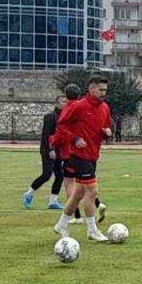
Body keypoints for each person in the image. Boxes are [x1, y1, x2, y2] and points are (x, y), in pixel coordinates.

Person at [51, 75, 112, 242]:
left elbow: (104, 127)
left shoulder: (105, 108)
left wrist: (107, 133)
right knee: (92, 191)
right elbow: (61, 125)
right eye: (100, 90)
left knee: (77, 193)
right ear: (91, 89)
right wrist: (75, 139)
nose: (103, 93)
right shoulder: (78, 106)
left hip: (93, 154)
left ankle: (61, 225)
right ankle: (92, 230)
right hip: (78, 155)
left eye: (105, 90)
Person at [24, 85, 75, 210]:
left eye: (67, 101)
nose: (66, 103)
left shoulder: (66, 117)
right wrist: (51, 149)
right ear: (57, 103)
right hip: (48, 149)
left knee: (60, 175)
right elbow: (47, 135)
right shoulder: (50, 117)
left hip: (59, 150)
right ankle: (29, 193)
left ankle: (53, 201)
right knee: (46, 174)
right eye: (63, 101)